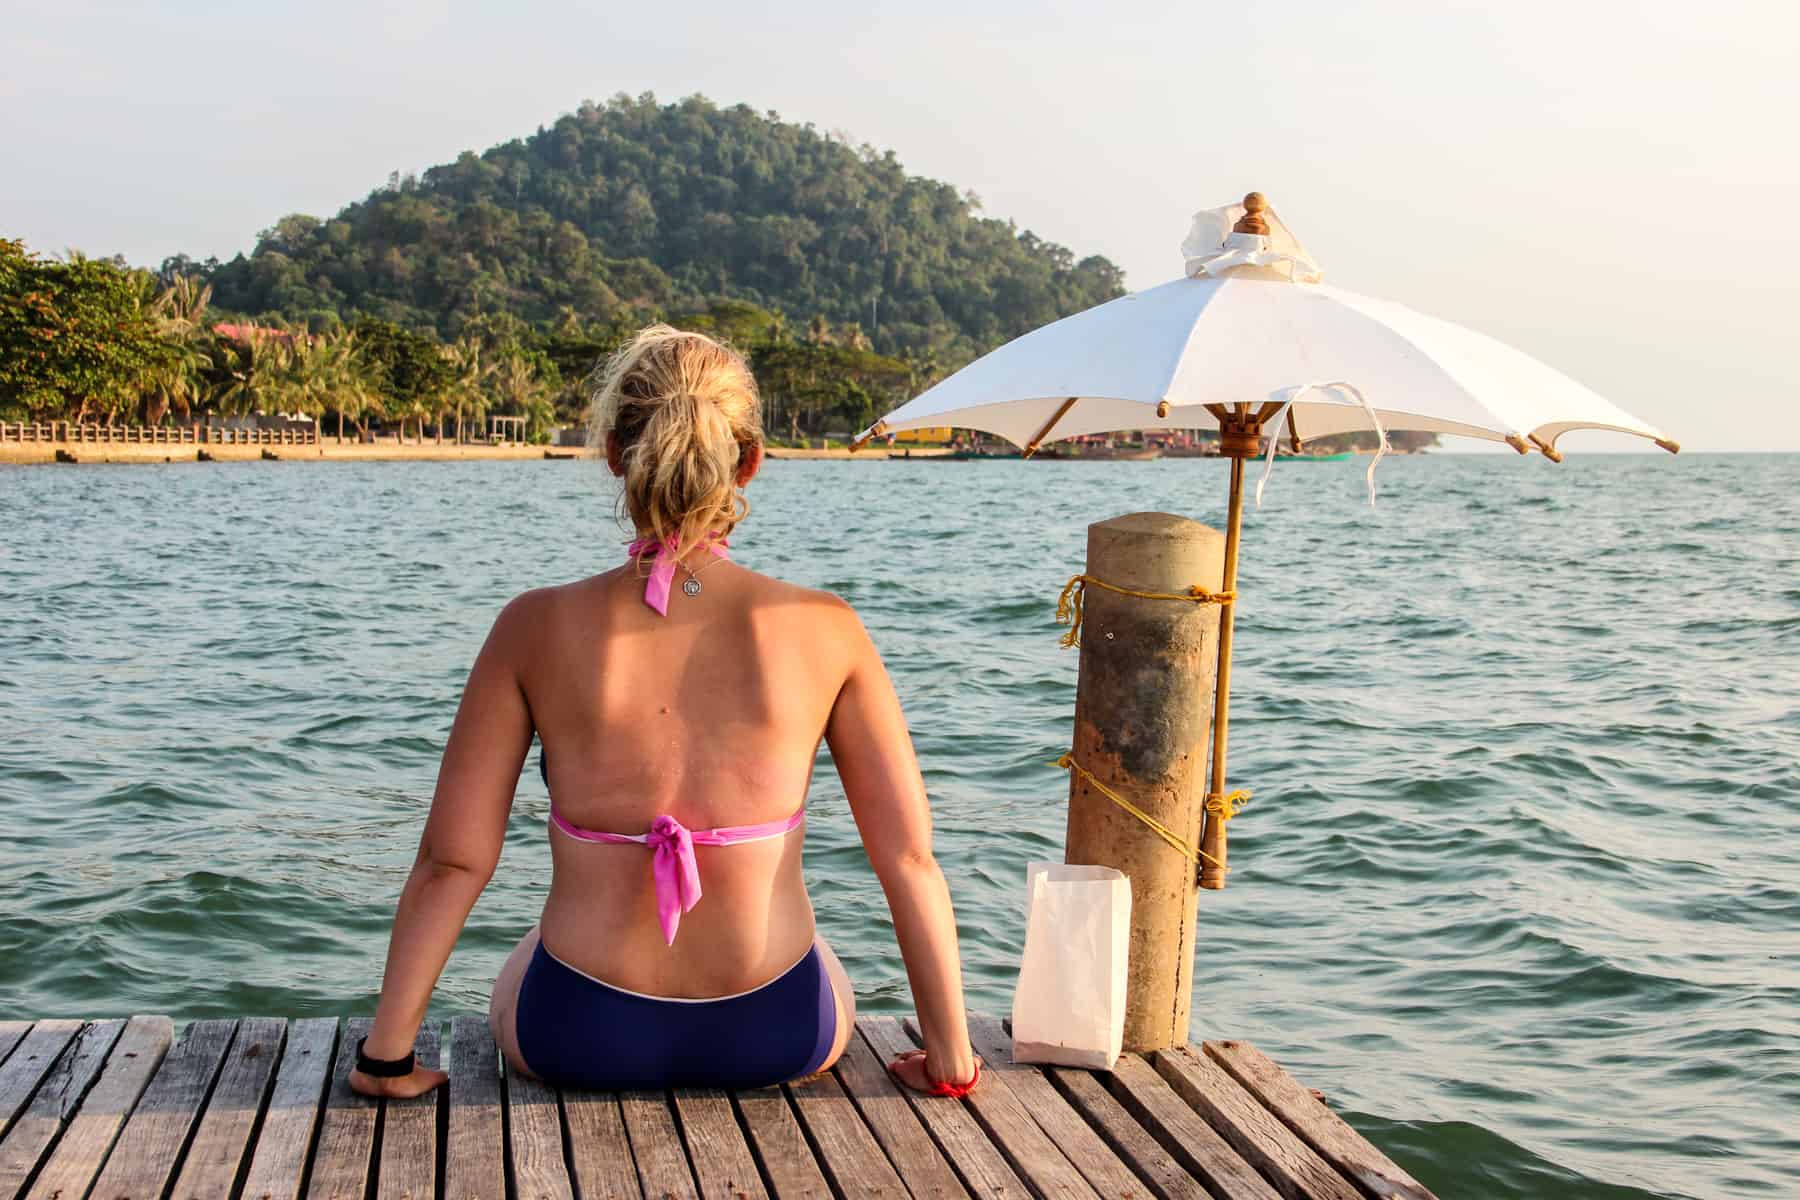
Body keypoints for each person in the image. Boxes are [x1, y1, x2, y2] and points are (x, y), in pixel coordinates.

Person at [348, 325, 979, 1099]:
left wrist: (385, 1059)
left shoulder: (532, 627)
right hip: (778, 1028)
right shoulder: (827, 628)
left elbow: (454, 861)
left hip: (578, 1030)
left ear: (616, 454)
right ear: (750, 459)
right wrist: (949, 1058)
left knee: (524, 955)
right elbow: (908, 859)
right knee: (824, 958)